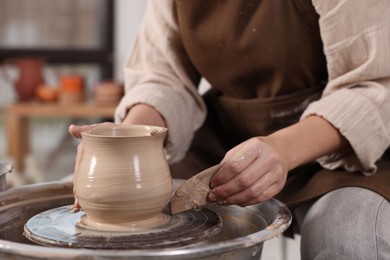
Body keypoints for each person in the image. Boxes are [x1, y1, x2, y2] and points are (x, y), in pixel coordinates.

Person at [69, 1, 390, 259]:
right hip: (230, 146)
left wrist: (284, 149)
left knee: (345, 235)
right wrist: (131, 136)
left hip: (343, 146)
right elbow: (163, 77)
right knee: (94, 228)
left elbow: (375, 85)